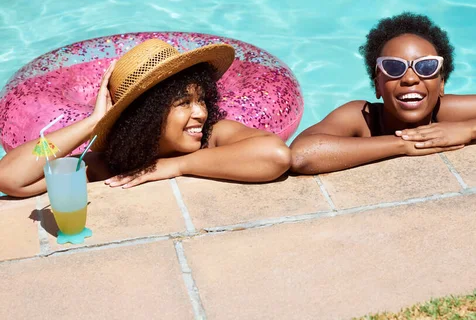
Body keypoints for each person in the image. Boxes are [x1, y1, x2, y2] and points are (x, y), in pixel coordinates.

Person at [290, 12, 476, 174]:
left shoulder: (447, 111)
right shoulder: (360, 116)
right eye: (393, 68)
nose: (409, 78)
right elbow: (302, 155)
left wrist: (467, 129)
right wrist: (402, 146)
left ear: (442, 83)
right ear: (377, 84)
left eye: (426, 66)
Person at [0, 39, 291, 198]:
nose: (201, 112)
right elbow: (11, 178)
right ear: (144, 115)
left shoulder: (216, 137)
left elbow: (275, 156)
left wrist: (173, 166)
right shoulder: (106, 165)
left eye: (201, 99)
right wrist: (92, 123)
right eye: (183, 103)